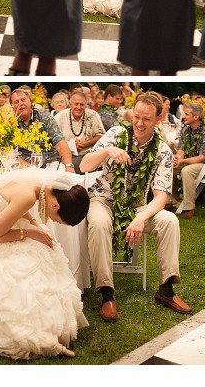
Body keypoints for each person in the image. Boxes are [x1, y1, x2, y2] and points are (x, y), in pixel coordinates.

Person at [0, 169, 89, 359]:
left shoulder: (38, 185)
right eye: (61, 221)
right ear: (54, 205)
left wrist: (34, 223)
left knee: (41, 252)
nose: (57, 223)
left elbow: (16, 206)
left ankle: (46, 319)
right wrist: (30, 233)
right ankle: (31, 327)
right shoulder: (29, 196)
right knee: (22, 268)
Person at [80, 92, 191, 323]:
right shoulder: (115, 134)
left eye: (146, 119)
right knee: (99, 223)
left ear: (158, 119)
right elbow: (84, 166)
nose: (139, 123)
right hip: (103, 198)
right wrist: (107, 151)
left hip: (137, 206)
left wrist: (141, 218)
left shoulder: (163, 151)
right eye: (137, 117)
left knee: (170, 220)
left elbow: (161, 197)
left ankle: (166, 289)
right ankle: (107, 293)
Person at [173, 102, 205, 219]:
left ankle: (189, 208)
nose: (183, 116)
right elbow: (181, 149)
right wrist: (177, 158)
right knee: (169, 165)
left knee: (187, 171)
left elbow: (203, 158)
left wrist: (182, 161)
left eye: (187, 114)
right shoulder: (186, 130)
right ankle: (170, 201)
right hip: (191, 161)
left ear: (196, 117)